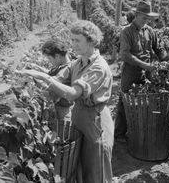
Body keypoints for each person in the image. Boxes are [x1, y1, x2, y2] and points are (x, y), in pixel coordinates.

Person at [16, 20, 114, 183]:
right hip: (79, 119)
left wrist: (45, 77)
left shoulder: (98, 67)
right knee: (82, 167)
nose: (73, 44)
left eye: (77, 40)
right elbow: (57, 79)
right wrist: (30, 79)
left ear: (90, 41)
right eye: (72, 40)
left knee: (97, 169)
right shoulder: (78, 62)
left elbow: (72, 94)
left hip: (96, 122)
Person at [114, 0, 168, 141]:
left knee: (148, 100)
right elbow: (125, 54)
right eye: (144, 17)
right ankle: (119, 133)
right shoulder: (126, 32)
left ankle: (141, 130)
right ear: (137, 14)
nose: (147, 21)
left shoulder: (149, 31)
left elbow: (158, 48)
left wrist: (167, 60)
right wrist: (144, 65)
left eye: (148, 18)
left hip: (147, 72)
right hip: (131, 72)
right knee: (125, 100)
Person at [31, 38, 73, 121]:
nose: (49, 61)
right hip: (61, 106)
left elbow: (49, 84)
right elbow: (50, 72)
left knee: (63, 131)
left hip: (64, 112)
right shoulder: (65, 65)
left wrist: (33, 77)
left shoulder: (65, 71)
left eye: (49, 59)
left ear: (57, 56)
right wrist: (37, 67)